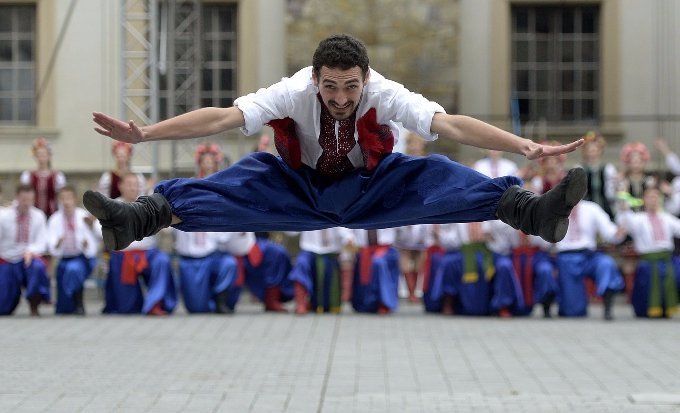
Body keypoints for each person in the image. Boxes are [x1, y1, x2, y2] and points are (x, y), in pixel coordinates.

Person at [84, 34, 586, 252]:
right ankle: (135, 220)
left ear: (365, 78)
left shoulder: (385, 92)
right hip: (297, 186)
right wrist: (145, 133)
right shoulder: (291, 91)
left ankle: (533, 213)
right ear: (315, 79)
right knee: (242, 176)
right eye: (330, 87)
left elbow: (450, 125)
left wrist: (522, 146)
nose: (341, 99)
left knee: (434, 171)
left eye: (350, 87)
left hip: (371, 187)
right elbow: (223, 117)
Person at [103, 173, 177, 315]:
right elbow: (99, 229)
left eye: (135, 185)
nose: (133, 188)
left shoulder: (150, 204)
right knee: (127, 309)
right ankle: (130, 304)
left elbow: (168, 227)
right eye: (129, 184)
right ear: (120, 186)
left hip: (148, 253)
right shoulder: (112, 206)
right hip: (123, 256)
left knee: (162, 260)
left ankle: (155, 304)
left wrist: (164, 226)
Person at [553, 200, 625, 320]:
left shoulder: (592, 208)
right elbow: (542, 237)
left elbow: (609, 231)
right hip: (566, 258)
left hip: (589, 256)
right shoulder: (552, 208)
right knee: (574, 312)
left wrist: (617, 233)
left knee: (606, 264)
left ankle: (607, 307)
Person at [617, 187, 679, 318]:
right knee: (646, 276)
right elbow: (625, 224)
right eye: (650, 197)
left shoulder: (666, 217)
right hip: (648, 259)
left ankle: (668, 308)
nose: (653, 200)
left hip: (667, 258)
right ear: (644, 200)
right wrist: (624, 209)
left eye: (656, 197)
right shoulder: (639, 218)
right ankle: (646, 310)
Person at [47, 186, 101, 315]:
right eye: (63, 199)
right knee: (63, 308)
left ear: (75, 199)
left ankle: (79, 303)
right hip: (64, 259)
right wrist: (57, 243)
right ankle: (69, 305)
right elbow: (51, 244)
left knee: (74, 269)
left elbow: (100, 235)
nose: (66, 202)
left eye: (69, 198)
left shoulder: (84, 216)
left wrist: (92, 227)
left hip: (82, 258)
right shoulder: (54, 219)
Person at [0, 185, 50, 316]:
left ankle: (34, 304)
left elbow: (42, 241)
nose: (26, 203)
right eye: (23, 200)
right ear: (17, 198)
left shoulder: (38, 216)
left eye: (30, 200)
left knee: (37, 267)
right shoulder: (4, 216)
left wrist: (30, 251)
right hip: (7, 259)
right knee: (3, 309)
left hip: (27, 258)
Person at [287, 228, 353, 314]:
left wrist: (348, 238)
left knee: (328, 268)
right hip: (309, 249)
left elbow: (343, 229)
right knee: (301, 264)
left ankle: (321, 303)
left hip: (330, 251)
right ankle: (300, 303)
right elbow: (292, 232)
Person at [20, 137, 66, 218]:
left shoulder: (57, 176)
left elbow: (62, 197)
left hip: (52, 214)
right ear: (35, 157)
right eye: (38, 155)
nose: (41, 158)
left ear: (49, 156)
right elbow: (23, 195)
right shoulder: (28, 175)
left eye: (44, 155)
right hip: (33, 215)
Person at [578, 131, 617, 219]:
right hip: (586, 212)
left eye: (595, 148)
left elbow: (611, 194)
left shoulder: (608, 169)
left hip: (604, 209)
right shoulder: (580, 169)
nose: (592, 151)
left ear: (600, 150)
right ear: (585, 151)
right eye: (589, 149)